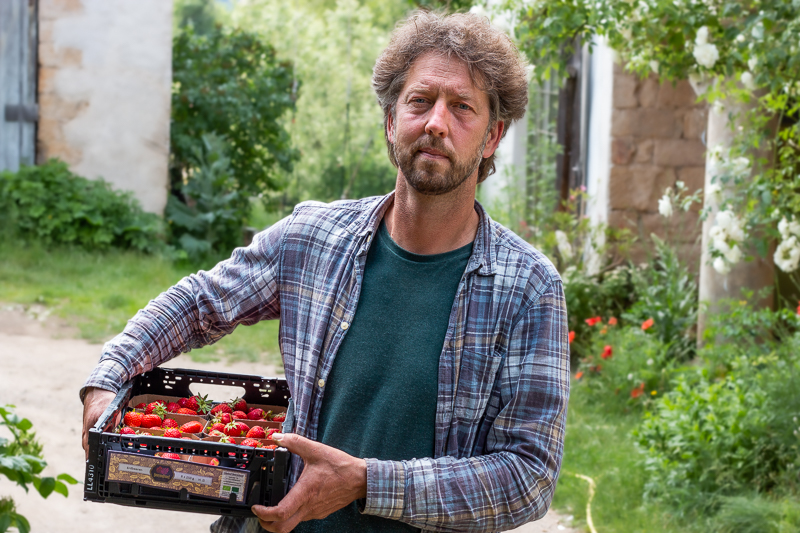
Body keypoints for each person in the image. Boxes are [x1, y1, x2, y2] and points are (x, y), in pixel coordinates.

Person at [81, 10, 569, 533]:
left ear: (492, 136)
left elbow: (528, 477)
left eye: (462, 107)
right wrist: (108, 378)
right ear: (391, 119)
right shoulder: (314, 238)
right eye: (420, 101)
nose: (435, 122)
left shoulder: (528, 288)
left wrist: (366, 481)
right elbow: (200, 302)